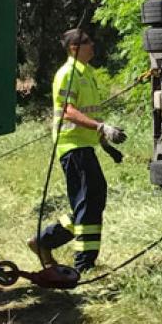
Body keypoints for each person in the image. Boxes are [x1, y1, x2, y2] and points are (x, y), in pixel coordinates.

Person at [28, 28, 127, 272]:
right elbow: (68, 111)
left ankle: (45, 241)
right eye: (87, 42)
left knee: (92, 201)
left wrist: (104, 144)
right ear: (74, 48)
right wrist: (101, 127)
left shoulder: (87, 73)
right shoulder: (68, 73)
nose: (92, 45)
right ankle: (82, 265)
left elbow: (86, 112)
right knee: (88, 203)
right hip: (72, 147)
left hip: (84, 147)